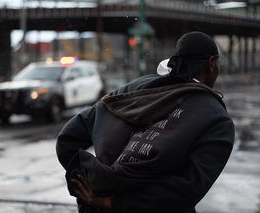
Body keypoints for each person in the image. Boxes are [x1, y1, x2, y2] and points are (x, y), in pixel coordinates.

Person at [56, 31, 235, 213]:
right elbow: (188, 188)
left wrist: (88, 182)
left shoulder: (134, 89)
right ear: (211, 63)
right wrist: (115, 204)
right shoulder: (216, 118)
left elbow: (69, 137)